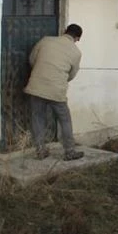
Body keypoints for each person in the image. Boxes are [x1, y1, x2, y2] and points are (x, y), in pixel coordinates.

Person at [24, 24, 85, 161]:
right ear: (77, 38)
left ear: (64, 31)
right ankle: (69, 151)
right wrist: (59, 78)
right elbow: (72, 74)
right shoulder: (76, 53)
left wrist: (41, 71)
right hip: (56, 90)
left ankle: (40, 150)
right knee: (65, 119)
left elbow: (32, 59)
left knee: (38, 117)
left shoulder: (45, 40)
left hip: (36, 86)